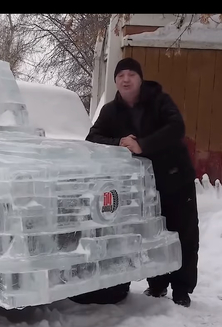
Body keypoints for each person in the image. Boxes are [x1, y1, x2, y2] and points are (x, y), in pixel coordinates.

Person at [85, 57, 199, 307]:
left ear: (140, 78)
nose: (126, 79)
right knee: (150, 233)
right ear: (115, 81)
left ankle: (182, 288)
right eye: (120, 76)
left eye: (131, 75)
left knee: (183, 233)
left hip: (175, 177)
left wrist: (143, 145)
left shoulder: (159, 100)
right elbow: (92, 137)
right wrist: (118, 142)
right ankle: (157, 285)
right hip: (144, 186)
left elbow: (176, 128)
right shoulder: (111, 110)